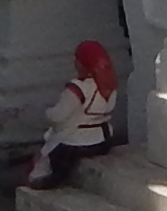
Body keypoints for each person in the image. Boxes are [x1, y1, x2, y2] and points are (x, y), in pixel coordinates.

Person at [23, 41, 123, 189]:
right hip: (103, 139)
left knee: (47, 152)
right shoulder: (111, 85)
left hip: (76, 142)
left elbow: (57, 115)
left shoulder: (78, 87)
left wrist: (45, 113)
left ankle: (43, 179)